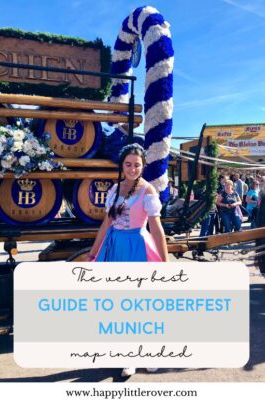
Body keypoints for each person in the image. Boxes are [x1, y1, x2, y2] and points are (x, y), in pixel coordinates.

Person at [86, 143, 169, 377]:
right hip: (114, 248)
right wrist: (93, 253)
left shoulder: (148, 191)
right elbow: (105, 224)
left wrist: (165, 263)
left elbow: (157, 228)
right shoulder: (113, 190)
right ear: (122, 166)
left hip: (136, 248)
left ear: (143, 167)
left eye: (137, 165)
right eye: (128, 164)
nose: (132, 169)